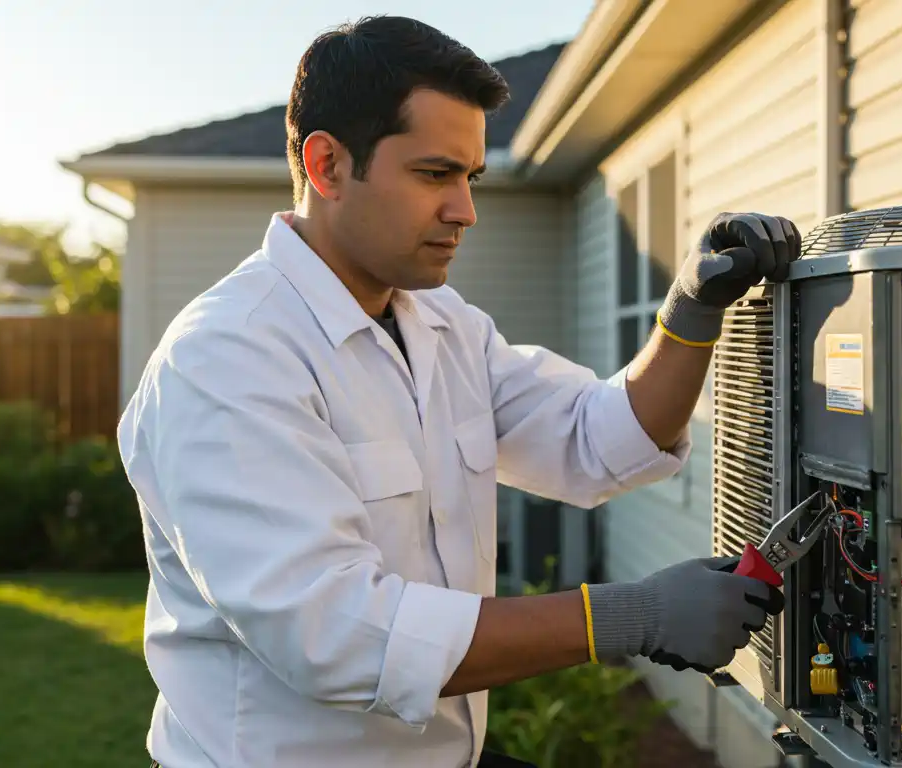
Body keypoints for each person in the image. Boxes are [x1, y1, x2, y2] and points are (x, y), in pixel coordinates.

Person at [118, 14, 802, 768]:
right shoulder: (228, 357)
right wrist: (630, 616)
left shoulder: (442, 325)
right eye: (434, 174)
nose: (464, 211)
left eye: (469, 177)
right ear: (327, 165)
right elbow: (337, 635)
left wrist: (691, 311)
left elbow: (599, 439)